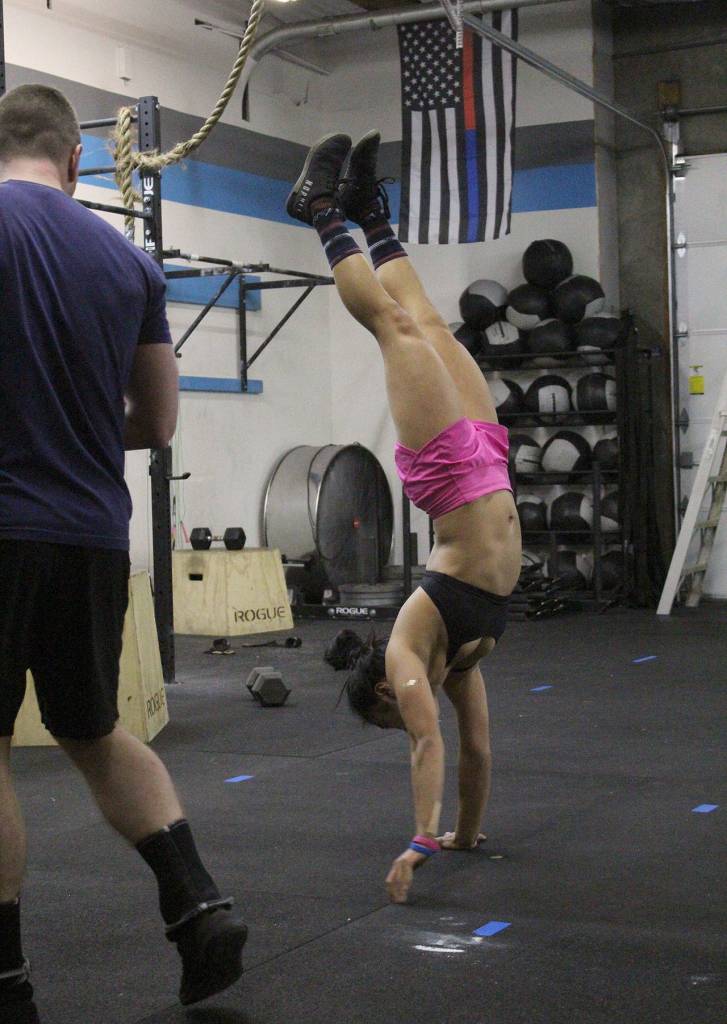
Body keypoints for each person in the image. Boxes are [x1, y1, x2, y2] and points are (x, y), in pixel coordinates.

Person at [0, 85, 246, 1024]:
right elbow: (156, 421)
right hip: (94, 534)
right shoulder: (128, 261)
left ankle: (6, 982)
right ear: (75, 161)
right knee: (95, 729)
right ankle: (197, 906)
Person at [287, 131, 522, 905]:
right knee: (427, 322)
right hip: (485, 460)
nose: (408, 712)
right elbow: (475, 751)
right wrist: (464, 830)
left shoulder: (406, 660)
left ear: (384, 693)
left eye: (390, 717)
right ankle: (368, 214)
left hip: (453, 477)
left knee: (393, 326)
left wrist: (419, 842)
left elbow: (427, 744)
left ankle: (319, 210)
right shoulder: (464, 660)